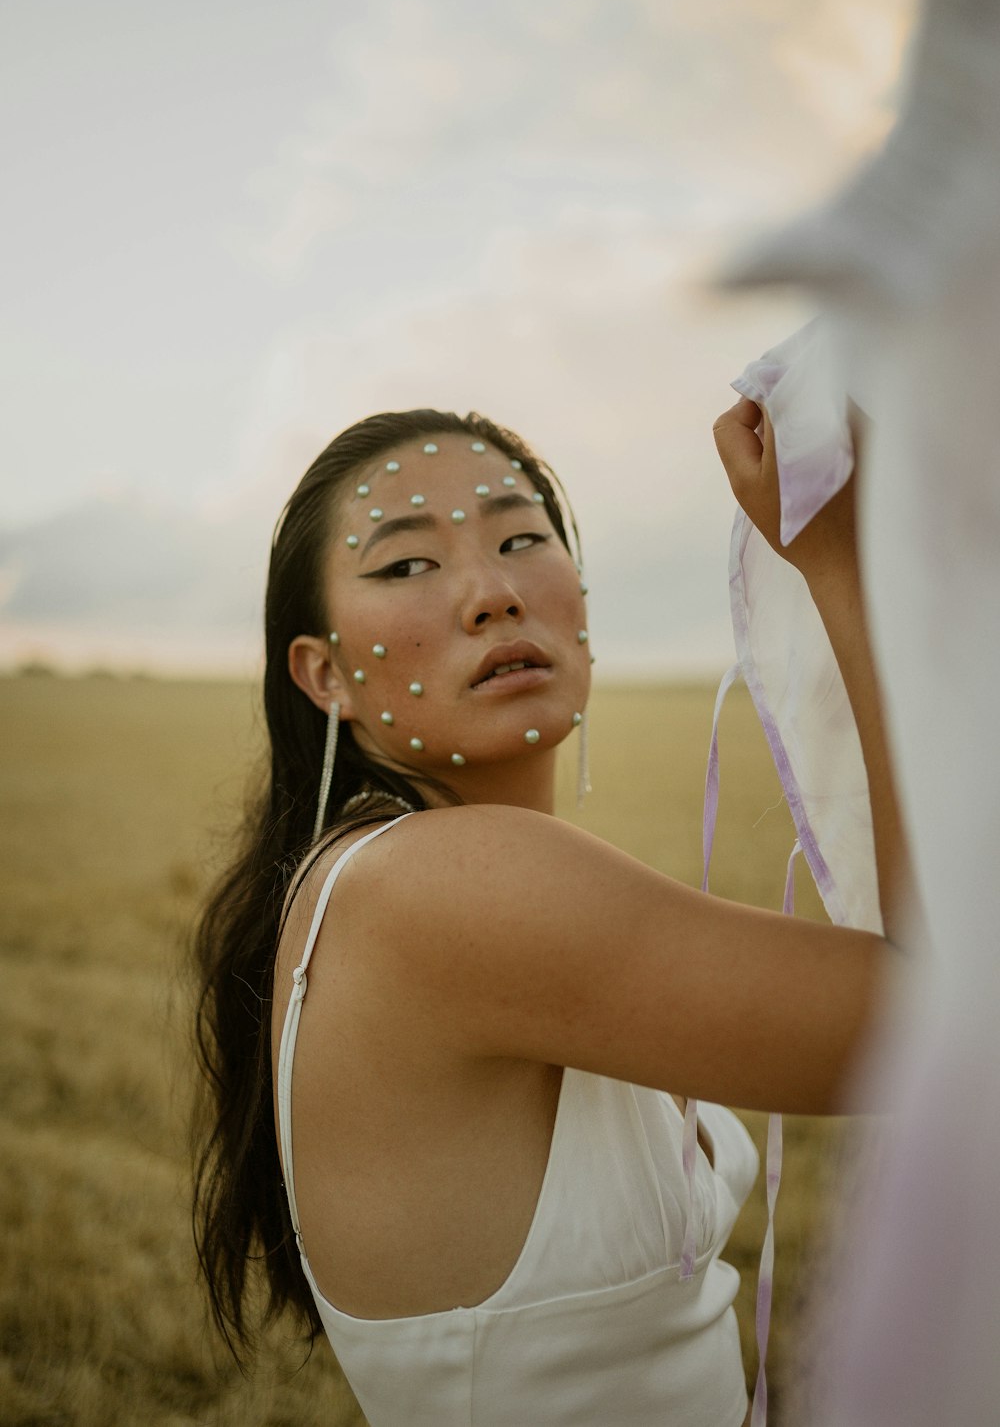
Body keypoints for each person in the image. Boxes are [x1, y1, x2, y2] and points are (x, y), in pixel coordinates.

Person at [193, 403, 912, 1427]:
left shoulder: (369, 877)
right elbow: (931, 1022)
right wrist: (849, 569)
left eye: (522, 539)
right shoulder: (439, 887)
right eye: (405, 566)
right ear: (323, 675)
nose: (490, 593)